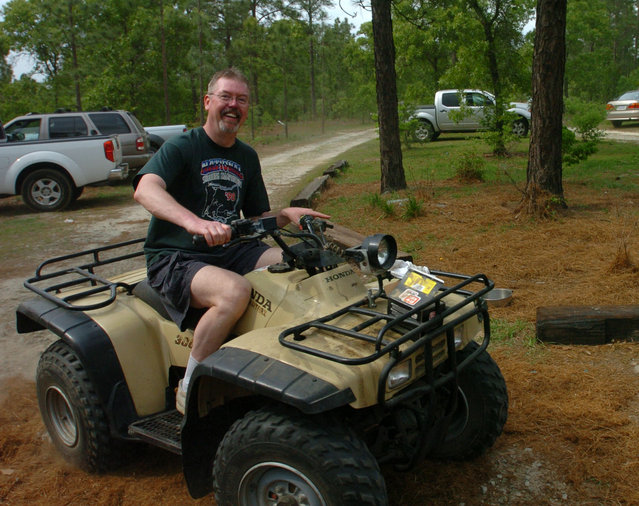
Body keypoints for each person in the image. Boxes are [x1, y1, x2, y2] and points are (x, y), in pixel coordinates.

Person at [133, 67, 329, 414]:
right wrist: (194, 222)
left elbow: (255, 220)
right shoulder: (183, 146)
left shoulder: (246, 156)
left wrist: (286, 214)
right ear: (208, 102)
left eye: (241, 99)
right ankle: (191, 384)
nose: (233, 105)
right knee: (234, 291)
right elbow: (145, 188)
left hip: (229, 250)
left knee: (300, 263)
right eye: (225, 97)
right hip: (177, 257)